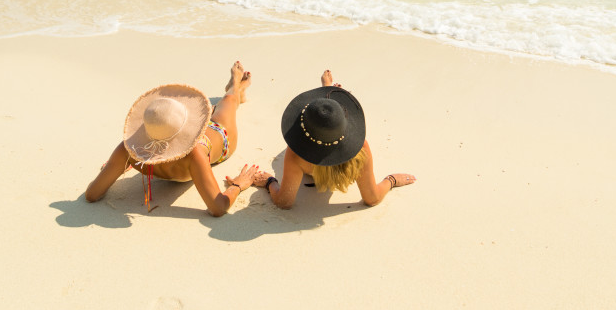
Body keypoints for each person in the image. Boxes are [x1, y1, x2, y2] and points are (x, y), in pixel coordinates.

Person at [85, 61, 259, 217]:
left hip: (214, 137)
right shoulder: (194, 155)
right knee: (228, 101)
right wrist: (237, 185)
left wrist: (113, 168)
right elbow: (218, 207)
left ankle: (235, 88)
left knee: (229, 101)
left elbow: (92, 194)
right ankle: (235, 87)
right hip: (221, 134)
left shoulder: (129, 150)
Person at [244, 70, 415, 208]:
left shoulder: (296, 155)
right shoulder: (360, 147)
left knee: (317, 124)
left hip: (309, 164)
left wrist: (270, 182)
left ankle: (326, 98)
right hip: (337, 156)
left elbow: (284, 202)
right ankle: (329, 98)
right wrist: (391, 180)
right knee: (326, 122)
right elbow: (372, 198)